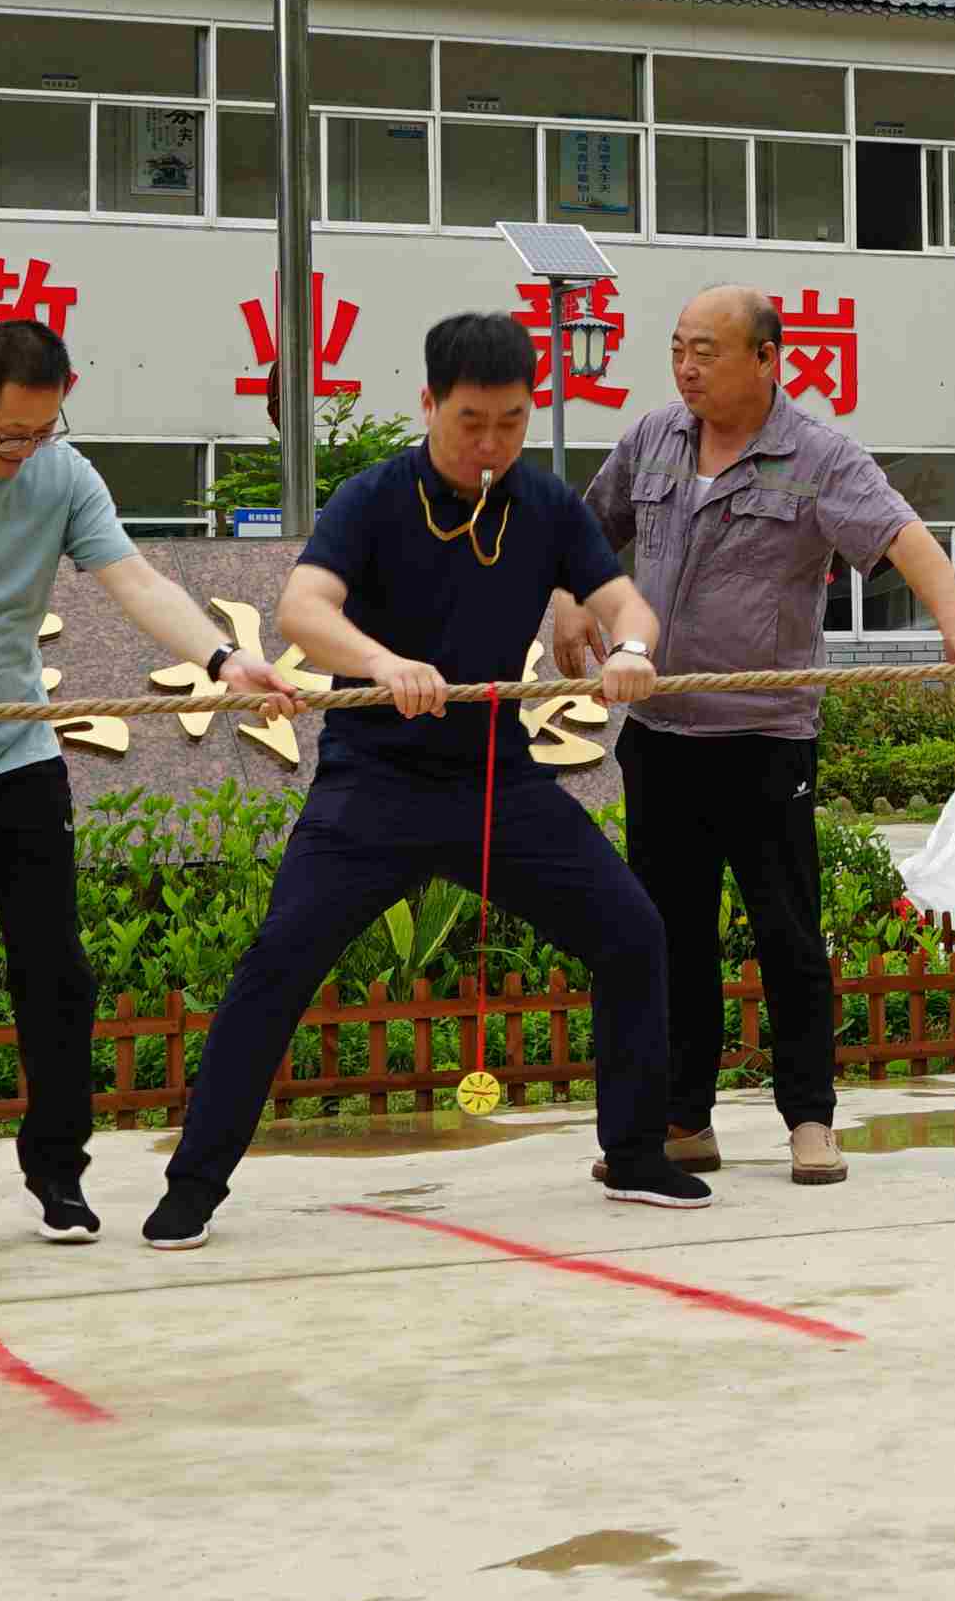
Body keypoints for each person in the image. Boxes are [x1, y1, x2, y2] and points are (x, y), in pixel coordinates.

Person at [147, 312, 696, 1248]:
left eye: (512, 423)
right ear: (429, 404)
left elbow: (621, 601)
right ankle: (193, 1184)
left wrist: (636, 648)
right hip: (374, 785)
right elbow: (303, 608)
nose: (491, 443)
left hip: (497, 784)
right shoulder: (372, 498)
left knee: (632, 933)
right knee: (278, 965)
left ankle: (636, 1155)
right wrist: (381, 661)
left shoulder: (545, 504)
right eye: (471, 421)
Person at [0, 313, 292, 1259]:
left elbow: (135, 579)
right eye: (11, 435)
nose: (26, 452)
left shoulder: (61, 474)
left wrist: (223, 658)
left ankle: (59, 1176)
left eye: (44, 431)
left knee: (57, 975)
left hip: (16, 754)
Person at [587, 286, 955, 1182]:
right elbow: (586, 532)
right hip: (660, 733)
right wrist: (565, 600)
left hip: (765, 736)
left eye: (707, 351)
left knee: (786, 933)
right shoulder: (653, 438)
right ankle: (683, 1119)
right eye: (678, 349)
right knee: (671, 939)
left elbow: (904, 537)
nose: (687, 368)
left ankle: (810, 1120)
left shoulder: (819, 456)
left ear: (767, 358)